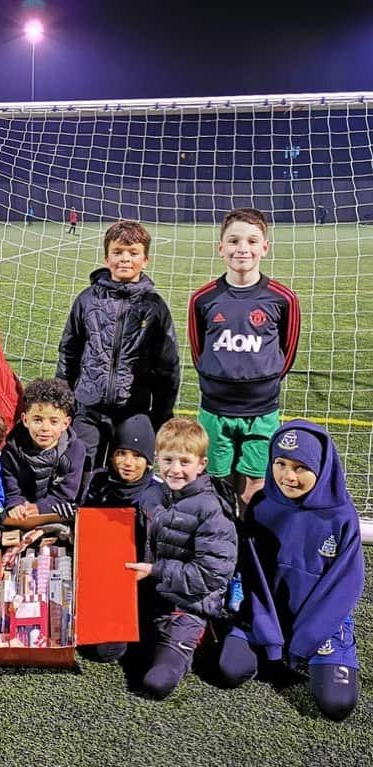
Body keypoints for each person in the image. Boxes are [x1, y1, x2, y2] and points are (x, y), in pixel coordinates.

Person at [218, 420, 364, 721]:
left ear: (322, 468)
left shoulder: (342, 516)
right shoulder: (261, 505)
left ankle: (306, 649)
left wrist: (304, 641)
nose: (288, 476)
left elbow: (342, 589)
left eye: (300, 467)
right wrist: (267, 631)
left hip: (321, 622)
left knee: (337, 705)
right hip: (268, 613)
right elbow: (254, 577)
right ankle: (274, 645)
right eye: (280, 463)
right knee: (230, 670)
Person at [188, 207, 301, 511]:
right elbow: (199, 350)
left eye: (252, 241)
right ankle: (219, 550)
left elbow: (287, 352)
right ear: (221, 247)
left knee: (254, 486)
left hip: (261, 409)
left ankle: (250, 550)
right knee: (216, 482)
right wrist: (216, 378)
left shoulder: (283, 298)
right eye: (234, 241)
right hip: (215, 408)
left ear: (265, 247)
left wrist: (264, 380)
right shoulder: (203, 299)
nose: (243, 249)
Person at [125, 417, 237, 699]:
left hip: (189, 604)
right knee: (105, 650)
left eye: (185, 462)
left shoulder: (212, 510)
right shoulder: (151, 494)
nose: (175, 470)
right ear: (157, 460)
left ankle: (196, 637)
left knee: (157, 684)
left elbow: (212, 574)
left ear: (201, 464)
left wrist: (155, 570)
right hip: (152, 597)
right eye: (168, 460)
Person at [56, 219, 180, 470]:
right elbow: (69, 351)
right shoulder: (87, 299)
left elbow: (168, 366)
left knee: (126, 476)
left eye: (133, 253)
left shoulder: (155, 306)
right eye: (117, 252)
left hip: (133, 410)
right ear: (106, 258)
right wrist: (63, 402)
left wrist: (162, 414)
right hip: (88, 408)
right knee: (79, 472)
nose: (125, 259)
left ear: (145, 260)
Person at [81, 413, 164, 662]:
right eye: (121, 453)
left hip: (145, 582)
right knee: (105, 651)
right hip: (103, 579)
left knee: (138, 647)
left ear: (150, 461)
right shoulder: (97, 482)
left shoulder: (158, 494)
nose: (128, 462)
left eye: (138, 456)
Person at [1, 378, 86, 526]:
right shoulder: (11, 449)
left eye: (54, 421)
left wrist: (39, 508)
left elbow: (65, 495)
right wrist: (15, 504)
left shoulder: (75, 451)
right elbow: (10, 487)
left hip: (53, 514)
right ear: (25, 420)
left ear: (65, 423)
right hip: (20, 516)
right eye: (38, 420)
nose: (45, 428)